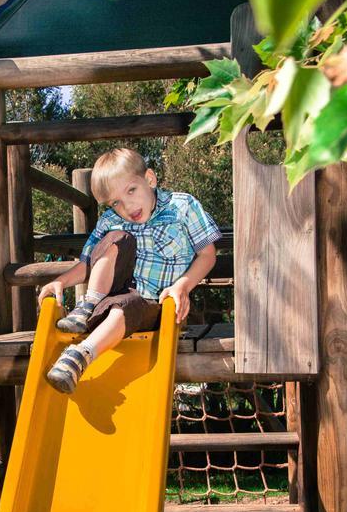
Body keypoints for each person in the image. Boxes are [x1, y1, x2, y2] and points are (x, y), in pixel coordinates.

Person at [39, 148, 221, 393]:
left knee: (127, 304)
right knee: (117, 237)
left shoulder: (182, 207)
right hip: (109, 301)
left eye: (131, 190)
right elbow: (88, 264)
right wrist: (61, 281)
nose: (127, 206)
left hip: (157, 309)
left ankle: (80, 356)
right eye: (115, 202)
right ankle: (88, 306)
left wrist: (182, 286)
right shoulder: (110, 221)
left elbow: (207, 254)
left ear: (149, 179)